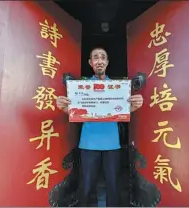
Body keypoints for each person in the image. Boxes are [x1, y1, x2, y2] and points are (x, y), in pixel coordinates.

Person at [56, 47, 143, 207]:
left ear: (107, 62)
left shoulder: (118, 89)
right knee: (86, 186)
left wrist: (134, 106)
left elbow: (123, 111)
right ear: (90, 63)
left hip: (112, 144)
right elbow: (75, 111)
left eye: (103, 57)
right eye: (95, 57)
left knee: (114, 186)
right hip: (88, 144)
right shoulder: (80, 89)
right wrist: (64, 107)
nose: (100, 60)